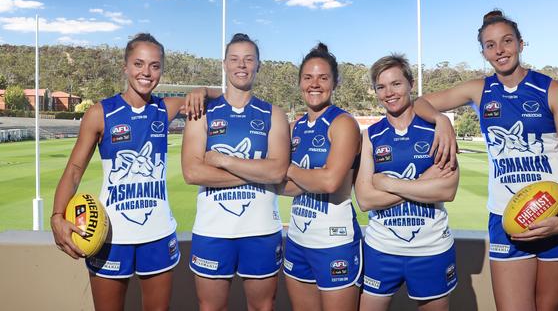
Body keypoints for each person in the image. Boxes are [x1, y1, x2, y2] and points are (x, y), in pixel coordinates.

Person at [421, 10, 558, 310]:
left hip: (556, 212)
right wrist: (441, 120)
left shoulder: (552, 90)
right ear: (483, 52)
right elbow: (419, 104)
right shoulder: (480, 90)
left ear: (520, 44)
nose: (499, 50)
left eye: (506, 41)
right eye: (490, 45)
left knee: (548, 307)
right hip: (507, 217)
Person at [50, 33, 207, 310]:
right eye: (138, 64)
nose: (146, 72)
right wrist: (56, 216)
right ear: (125, 67)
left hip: (157, 235)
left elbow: (219, 97)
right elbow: (74, 170)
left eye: (155, 66)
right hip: (110, 237)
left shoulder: (165, 108)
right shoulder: (101, 113)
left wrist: (202, 91)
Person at [181, 33, 290, 311]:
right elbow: (193, 172)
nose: (241, 65)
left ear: (258, 65)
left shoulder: (273, 114)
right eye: (234, 59)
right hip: (213, 230)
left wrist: (222, 160)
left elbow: (277, 172)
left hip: (262, 230)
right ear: (224, 64)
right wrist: (257, 171)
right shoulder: (203, 111)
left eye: (248, 59)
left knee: (263, 307)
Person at [355, 54, 460, 311]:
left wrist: (388, 183)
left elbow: (447, 189)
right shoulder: (371, 135)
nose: (389, 93)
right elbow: (365, 200)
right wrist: (424, 182)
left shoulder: (436, 129)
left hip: (431, 249)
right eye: (381, 87)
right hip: (381, 249)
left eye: (396, 84)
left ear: (411, 84)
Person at [278, 43, 362, 311]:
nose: (315, 84)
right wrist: (306, 177)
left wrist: (287, 168)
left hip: (334, 242)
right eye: (308, 77)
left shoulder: (343, 123)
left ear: (335, 82)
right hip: (298, 240)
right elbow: (283, 188)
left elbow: (330, 182)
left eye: (323, 78)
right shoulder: (295, 128)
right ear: (300, 82)